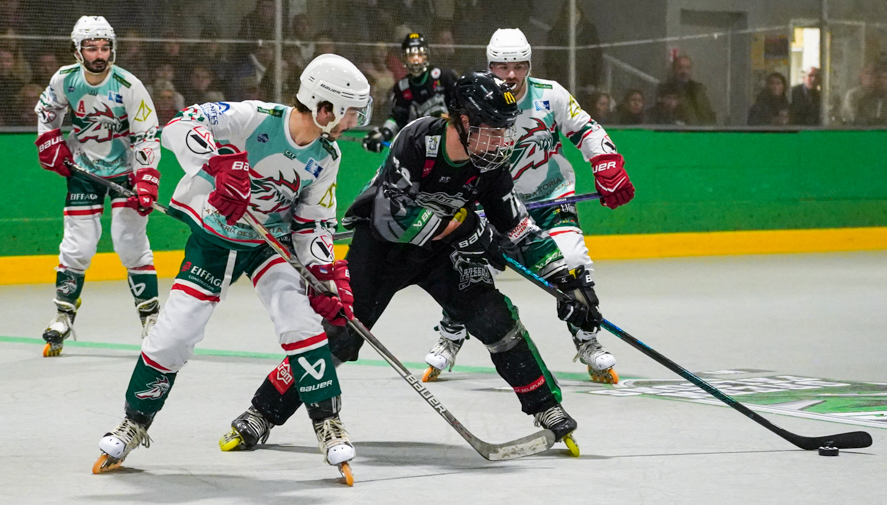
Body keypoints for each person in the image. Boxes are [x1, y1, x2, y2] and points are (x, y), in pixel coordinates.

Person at [220, 71, 601, 455]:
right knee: (340, 332)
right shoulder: (420, 139)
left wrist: (566, 280)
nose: (501, 142)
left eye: (504, 131)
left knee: (494, 318)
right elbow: (393, 219)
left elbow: (518, 227)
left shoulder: (490, 165)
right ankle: (262, 412)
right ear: (463, 121)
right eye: (491, 130)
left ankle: (547, 407)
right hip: (382, 249)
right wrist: (467, 228)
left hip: (442, 254)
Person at [92, 54, 372, 483]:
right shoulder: (252, 117)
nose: (355, 119)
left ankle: (328, 423)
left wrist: (324, 277)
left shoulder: (327, 154)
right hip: (214, 241)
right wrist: (220, 161)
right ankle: (134, 422)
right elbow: (178, 126)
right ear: (323, 106)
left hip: (267, 244)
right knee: (175, 332)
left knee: (300, 321)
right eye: (350, 110)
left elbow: (313, 221)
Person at [422, 29, 634, 383]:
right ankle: (451, 334)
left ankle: (587, 339)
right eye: (502, 66)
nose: (510, 75)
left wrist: (606, 161)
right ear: (490, 66)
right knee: (467, 268)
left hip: (550, 199)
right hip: (494, 206)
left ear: (528, 66)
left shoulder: (551, 95)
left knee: (571, 263)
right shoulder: (474, 102)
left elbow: (585, 128)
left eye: (518, 66)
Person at [34, 16, 162, 357]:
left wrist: (146, 176)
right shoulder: (65, 80)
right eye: (91, 47)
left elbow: (147, 135)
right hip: (84, 168)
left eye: (105, 47)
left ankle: (150, 317)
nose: (99, 54)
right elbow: (47, 112)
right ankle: (62, 315)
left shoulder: (129, 85)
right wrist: (49, 141)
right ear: (77, 51)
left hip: (126, 173)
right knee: (78, 244)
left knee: (129, 242)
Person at [362, 32, 457, 152]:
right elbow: (398, 117)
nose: (416, 59)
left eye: (420, 54)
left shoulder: (444, 77)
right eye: (411, 55)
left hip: (451, 141)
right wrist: (383, 134)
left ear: (426, 55)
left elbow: (463, 104)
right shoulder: (402, 87)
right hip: (423, 145)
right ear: (404, 58)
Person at [659, 55, 716, 125]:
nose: (684, 71)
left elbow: (708, 114)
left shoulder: (698, 89)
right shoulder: (666, 89)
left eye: (687, 68)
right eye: (680, 68)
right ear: (673, 70)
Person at [854, 62, 887, 127]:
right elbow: (858, 126)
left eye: (885, 78)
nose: (882, 81)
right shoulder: (864, 102)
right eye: (879, 78)